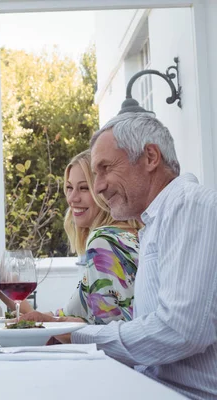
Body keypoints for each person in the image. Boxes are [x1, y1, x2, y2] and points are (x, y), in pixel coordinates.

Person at [58, 112, 217, 399]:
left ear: (150, 157)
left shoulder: (187, 205)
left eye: (105, 168)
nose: (99, 187)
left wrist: (77, 335)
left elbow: (179, 331)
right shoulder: (156, 222)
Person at [22, 150, 140, 324]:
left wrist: (55, 323)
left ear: (103, 190)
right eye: (69, 188)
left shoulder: (105, 241)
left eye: (84, 188)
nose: (72, 198)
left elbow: (104, 331)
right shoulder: (127, 236)